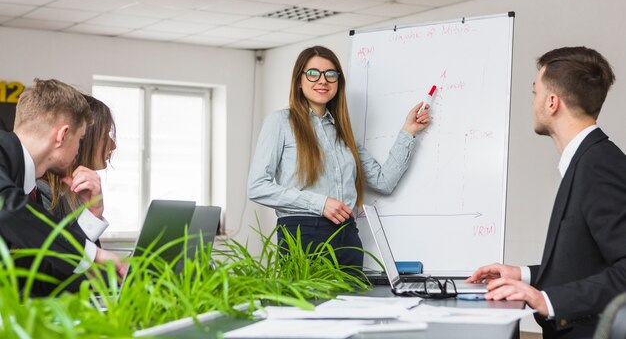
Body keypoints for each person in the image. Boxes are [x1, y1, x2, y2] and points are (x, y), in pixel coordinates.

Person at [466, 46, 626, 338]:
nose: (534, 101)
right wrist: (522, 275)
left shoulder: (599, 166)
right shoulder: (587, 160)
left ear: (552, 102)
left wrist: (546, 300)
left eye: (535, 92)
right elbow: (587, 266)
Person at [248, 45, 430, 269]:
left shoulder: (342, 131)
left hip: (347, 237)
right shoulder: (280, 122)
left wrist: (408, 131)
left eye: (330, 74)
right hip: (303, 235)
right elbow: (257, 187)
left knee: (352, 304)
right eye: (313, 73)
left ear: (338, 82)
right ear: (298, 80)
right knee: (310, 304)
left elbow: (384, 182)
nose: (322, 80)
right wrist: (320, 203)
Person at [0, 78, 125, 296]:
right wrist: (92, 254)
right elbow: (7, 207)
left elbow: (35, 278)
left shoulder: (28, 190)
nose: (78, 150)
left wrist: (90, 219)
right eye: (80, 138)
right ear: (63, 135)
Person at [38, 95, 117, 247]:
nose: (113, 146)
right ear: (83, 138)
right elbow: (58, 264)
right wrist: (94, 214)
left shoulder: (75, 193)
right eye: (106, 134)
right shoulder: (43, 193)